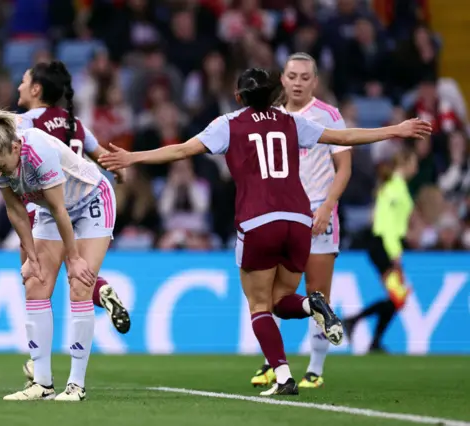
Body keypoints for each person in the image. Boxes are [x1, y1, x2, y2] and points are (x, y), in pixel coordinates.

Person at [99, 67, 431, 396]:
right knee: (282, 300)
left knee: (259, 305)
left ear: (238, 96)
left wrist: (132, 157)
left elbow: (182, 150)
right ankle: (312, 306)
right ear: (275, 94)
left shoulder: (228, 124)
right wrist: (396, 129)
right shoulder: (291, 121)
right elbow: (343, 138)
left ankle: (284, 376)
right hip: (300, 220)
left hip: (259, 221)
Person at [0, 62, 131, 387]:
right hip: (50, 199)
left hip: (65, 198)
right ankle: (42, 379)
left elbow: (6, 161)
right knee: (52, 277)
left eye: (24, 81)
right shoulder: (74, 123)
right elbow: (97, 155)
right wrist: (120, 171)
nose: (20, 86)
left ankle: (70, 382)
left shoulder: (21, 126)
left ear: (36, 88)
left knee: (64, 275)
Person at [251, 52, 352, 389]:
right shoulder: (273, 116)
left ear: (315, 81)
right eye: (292, 76)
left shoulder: (328, 116)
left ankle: (316, 369)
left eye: (304, 77)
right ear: (282, 78)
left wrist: (327, 207)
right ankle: (271, 363)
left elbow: (345, 168)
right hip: (280, 215)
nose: (297, 82)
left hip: (318, 214)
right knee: (269, 291)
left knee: (316, 291)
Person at [343, 149, 418, 353]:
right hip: (383, 246)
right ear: (407, 164)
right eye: (414, 163)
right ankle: (356, 323)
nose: (416, 167)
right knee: (397, 296)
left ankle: (371, 338)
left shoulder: (393, 186)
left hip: (381, 245)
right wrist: (395, 253)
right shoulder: (395, 188)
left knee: (396, 297)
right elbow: (387, 225)